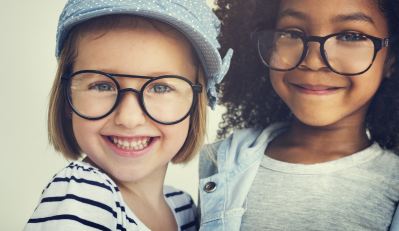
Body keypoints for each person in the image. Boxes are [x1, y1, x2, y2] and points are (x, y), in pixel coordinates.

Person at [24, 0, 232, 230]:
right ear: (67, 97)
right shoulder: (83, 198)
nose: (129, 118)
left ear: (196, 103)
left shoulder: (184, 208)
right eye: (102, 86)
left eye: (160, 87)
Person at [198, 0, 399, 230]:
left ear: (392, 57)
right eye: (291, 33)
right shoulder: (218, 161)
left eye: (350, 36)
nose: (313, 61)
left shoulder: (393, 183)